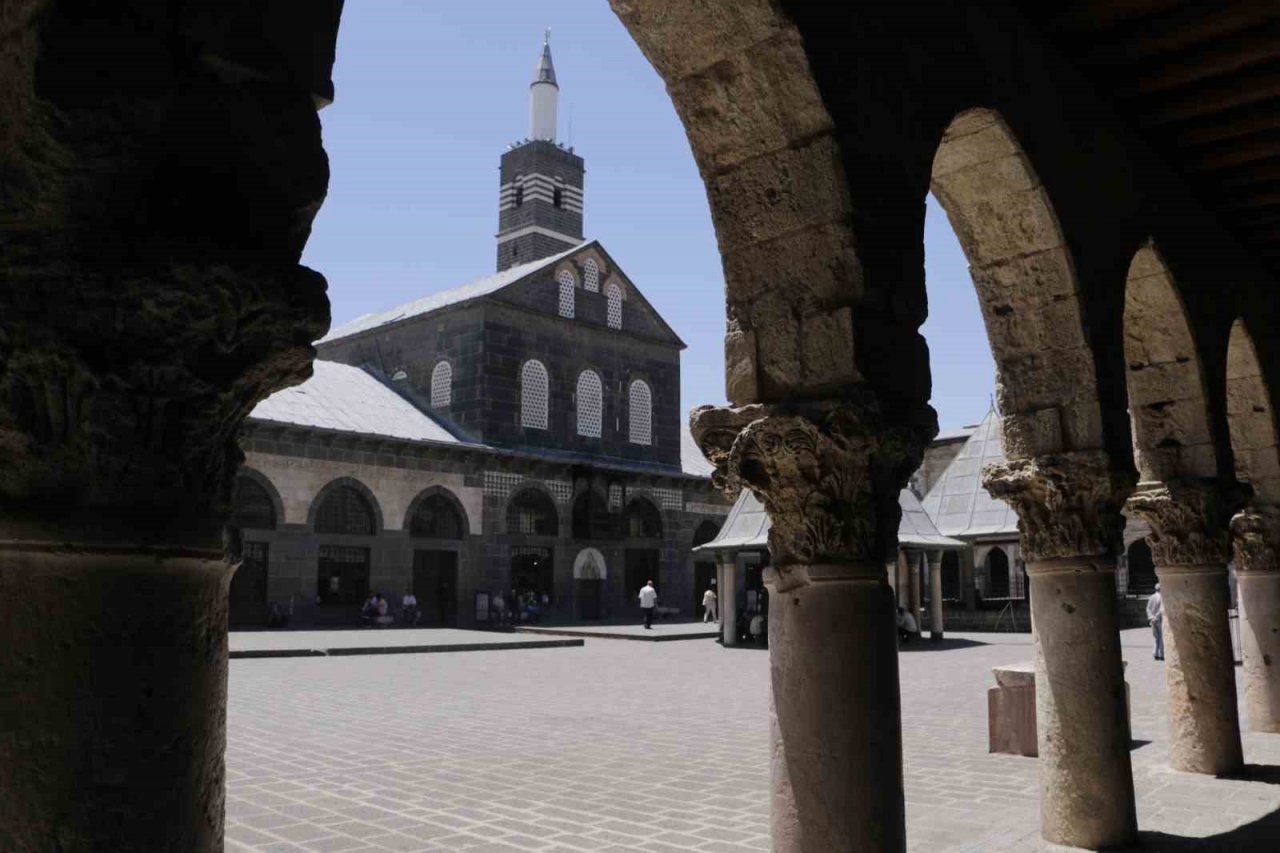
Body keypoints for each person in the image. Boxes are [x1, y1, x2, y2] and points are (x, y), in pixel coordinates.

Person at [1147, 583, 1164, 661]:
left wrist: (1151, 617)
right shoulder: (1162, 597)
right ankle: (1161, 654)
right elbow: (1161, 609)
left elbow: (1148, 608)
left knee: (1156, 637)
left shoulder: (1151, 597)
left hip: (1152, 620)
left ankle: (1155, 653)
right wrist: (1156, 617)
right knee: (1161, 637)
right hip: (1159, 620)